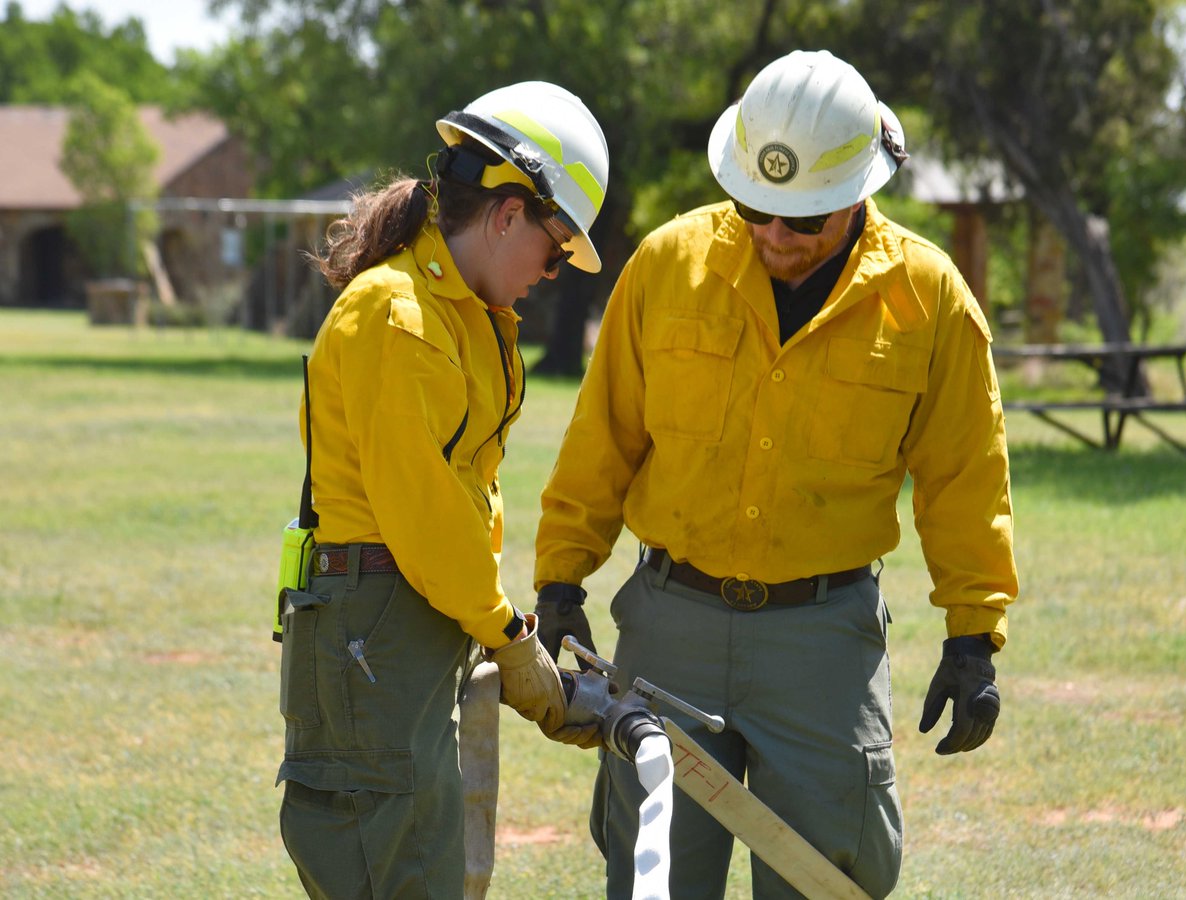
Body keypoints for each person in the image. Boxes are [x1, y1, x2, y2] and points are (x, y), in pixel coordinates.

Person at [533, 50, 1018, 899]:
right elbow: (601, 439)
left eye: (805, 219)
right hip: (668, 635)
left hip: (823, 646)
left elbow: (965, 477)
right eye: (756, 208)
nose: (776, 236)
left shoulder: (930, 299)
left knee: (826, 881)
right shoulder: (664, 266)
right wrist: (559, 582)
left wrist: (973, 637)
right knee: (653, 879)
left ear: (858, 191)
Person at [275, 80, 609, 898]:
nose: (555, 269)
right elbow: (424, 516)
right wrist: (509, 636)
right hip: (377, 625)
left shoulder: (456, 311)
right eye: (557, 243)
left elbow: (457, 503)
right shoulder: (400, 317)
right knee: (395, 876)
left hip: (408, 619)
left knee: (430, 871)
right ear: (506, 213)